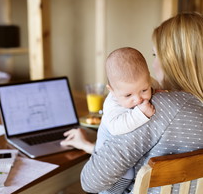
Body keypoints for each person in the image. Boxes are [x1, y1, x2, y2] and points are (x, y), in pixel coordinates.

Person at [80, 12, 203, 194]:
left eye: (155, 55)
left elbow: (91, 181)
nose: (153, 65)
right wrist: (87, 146)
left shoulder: (159, 108)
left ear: (173, 61)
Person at [61, 47, 156, 181]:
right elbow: (116, 128)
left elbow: (152, 84)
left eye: (144, 90)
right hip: (110, 165)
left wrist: (157, 90)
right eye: (128, 95)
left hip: (127, 161)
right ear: (111, 90)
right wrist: (141, 114)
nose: (138, 99)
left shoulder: (140, 84)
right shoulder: (112, 104)